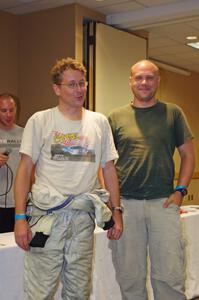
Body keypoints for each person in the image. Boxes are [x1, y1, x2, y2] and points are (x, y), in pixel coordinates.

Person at [14, 57, 123, 300]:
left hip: (82, 218)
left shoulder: (99, 122)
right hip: (48, 217)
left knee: (78, 291)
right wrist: (20, 217)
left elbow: (108, 170)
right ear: (57, 89)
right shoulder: (41, 120)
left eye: (82, 83)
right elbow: (24, 170)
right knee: (39, 291)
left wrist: (116, 211)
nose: (79, 89)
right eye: (72, 84)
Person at [108, 60, 195, 300]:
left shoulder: (173, 113)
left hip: (164, 204)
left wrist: (180, 190)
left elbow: (188, 155)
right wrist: (112, 201)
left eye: (149, 78)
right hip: (126, 206)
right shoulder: (115, 117)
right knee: (130, 278)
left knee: (169, 277)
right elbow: (104, 165)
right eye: (138, 78)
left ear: (158, 81)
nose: (143, 83)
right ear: (130, 81)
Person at [0, 93, 23, 233]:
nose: (8, 114)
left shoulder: (25, 133)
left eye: (11, 110)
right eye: (3, 111)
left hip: (19, 204)